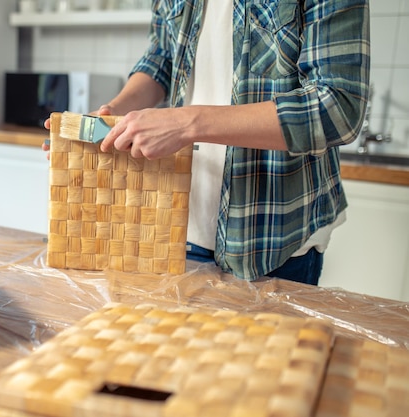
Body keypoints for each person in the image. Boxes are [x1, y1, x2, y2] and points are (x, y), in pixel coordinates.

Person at [43, 0, 370, 285]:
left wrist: (187, 123)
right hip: (176, 225)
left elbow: (337, 107)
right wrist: (114, 115)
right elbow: (161, 59)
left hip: (273, 240)